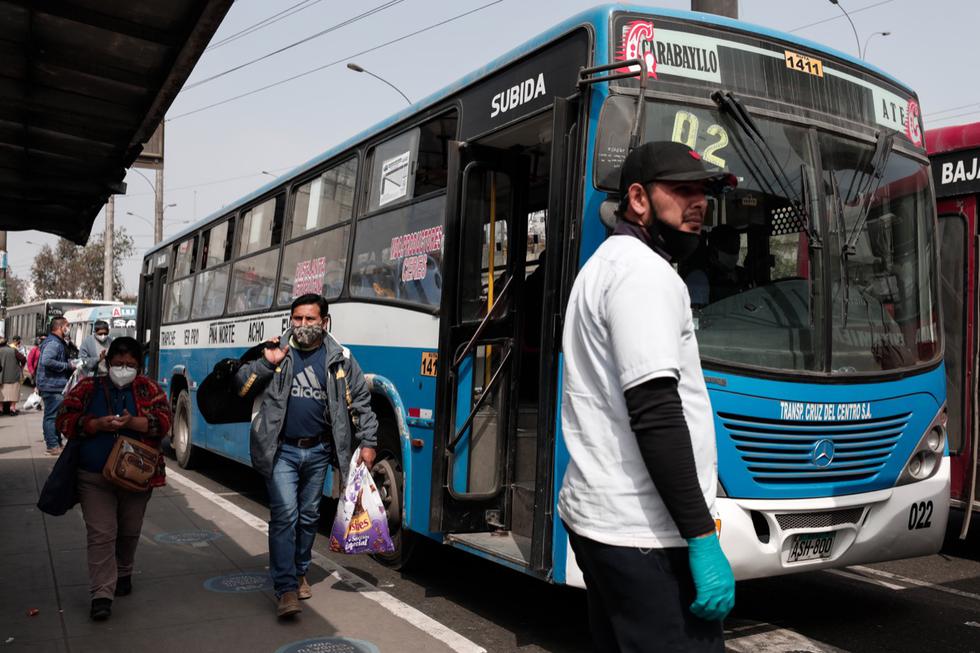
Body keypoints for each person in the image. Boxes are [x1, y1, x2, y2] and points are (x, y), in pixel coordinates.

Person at [559, 141, 737, 652]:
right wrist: (702, 539)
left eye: (703, 191)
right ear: (638, 199)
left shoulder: (609, 265)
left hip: (612, 523)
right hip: (645, 534)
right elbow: (657, 413)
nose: (698, 203)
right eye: (682, 190)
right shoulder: (644, 275)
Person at [233, 293, 378, 619]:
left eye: (310, 319)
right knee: (286, 516)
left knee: (310, 516)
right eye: (297, 319)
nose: (302, 326)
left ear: (324, 322)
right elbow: (242, 387)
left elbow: (362, 403)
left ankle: (299, 570)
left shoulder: (341, 359)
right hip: (281, 450)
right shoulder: (276, 351)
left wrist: (368, 442)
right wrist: (264, 363)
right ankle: (285, 588)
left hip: (318, 451)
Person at [56, 337, 172, 622]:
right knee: (101, 533)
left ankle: (124, 571)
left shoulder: (150, 389)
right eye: (118, 363)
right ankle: (101, 594)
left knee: (129, 530)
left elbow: (164, 422)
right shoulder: (87, 388)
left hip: (137, 477)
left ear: (139, 366)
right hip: (93, 476)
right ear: (108, 364)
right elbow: (64, 418)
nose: (123, 369)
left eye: (129, 364)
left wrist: (133, 422)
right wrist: (94, 424)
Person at [37, 318, 75, 455]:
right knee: (51, 417)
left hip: (54, 385)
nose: (68, 328)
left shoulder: (56, 342)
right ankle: (52, 445)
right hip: (52, 386)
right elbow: (47, 360)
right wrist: (68, 366)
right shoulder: (53, 343)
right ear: (60, 327)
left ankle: (56, 443)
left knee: (56, 416)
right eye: (67, 326)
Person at [0, 336, 26, 415]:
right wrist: (21, 366)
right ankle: (12, 409)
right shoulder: (13, 350)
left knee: (1, 393)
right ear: (7, 342)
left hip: (1, 376)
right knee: (13, 392)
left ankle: (0, 409)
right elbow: (23, 359)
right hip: (13, 375)